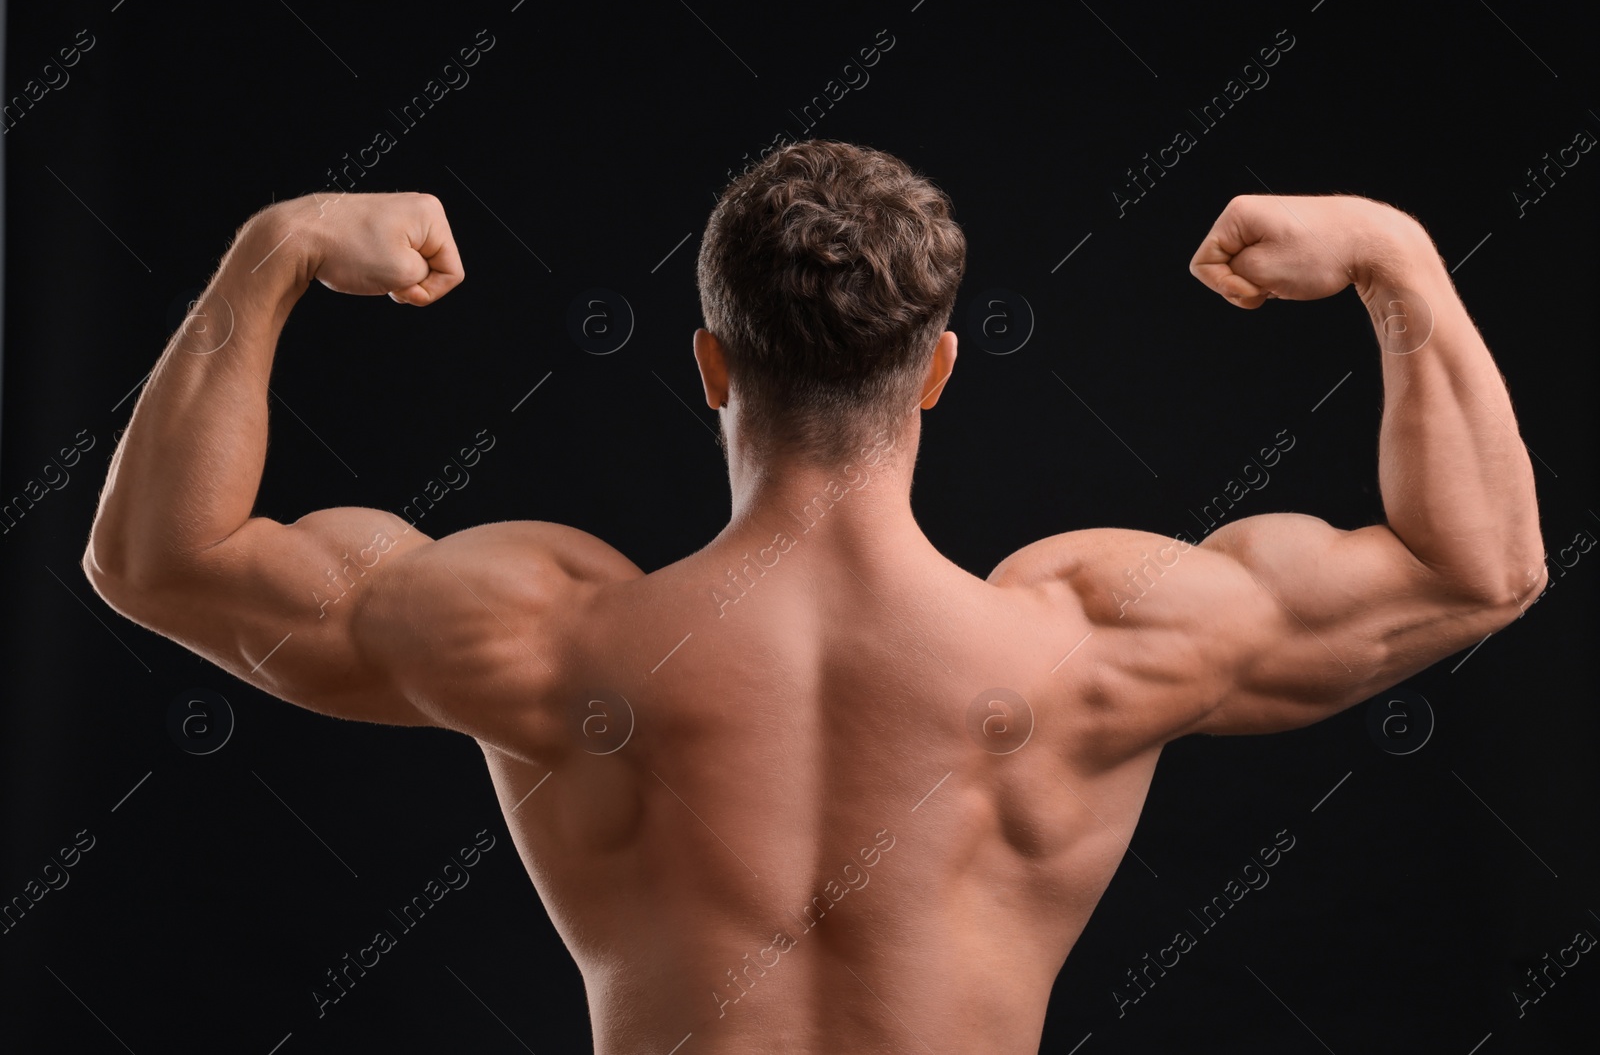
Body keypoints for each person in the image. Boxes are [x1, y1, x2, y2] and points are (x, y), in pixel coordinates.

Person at [83, 140, 1545, 1054]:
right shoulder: (1097, 639)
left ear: (711, 369)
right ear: (945, 370)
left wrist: (272, 250)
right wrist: (1394, 262)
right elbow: (1480, 566)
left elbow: (157, 557)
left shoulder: (545, 632)